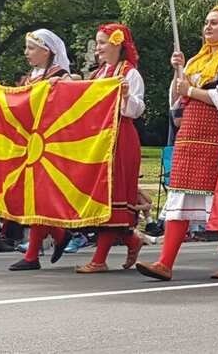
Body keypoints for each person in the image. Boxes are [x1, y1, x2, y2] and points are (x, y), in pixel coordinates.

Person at [135, 5, 218, 281]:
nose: (208, 27)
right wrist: (179, 72)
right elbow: (176, 101)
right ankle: (165, 262)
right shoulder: (195, 62)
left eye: (214, 23)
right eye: (206, 22)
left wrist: (190, 90)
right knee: (178, 197)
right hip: (189, 137)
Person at [75, 23, 146, 274]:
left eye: (103, 43)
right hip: (99, 141)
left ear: (117, 43)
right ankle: (131, 239)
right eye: (98, 43)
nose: (98, 48)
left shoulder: (129, 73)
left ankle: (100, 258)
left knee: (112, 197)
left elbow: (136, 110)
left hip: (120, 139)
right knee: (100, 197)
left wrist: (126, 96)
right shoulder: (98, 75)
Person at [9, 29, 74, 270]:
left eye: (31, 48)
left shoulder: (60, 76)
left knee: (40, 198)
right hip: (31, 142)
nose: (26, 53)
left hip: (51, 143)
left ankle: (33, 255)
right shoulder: (31, 77)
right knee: (33, 197)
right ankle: (58, 234)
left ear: (47, 51)